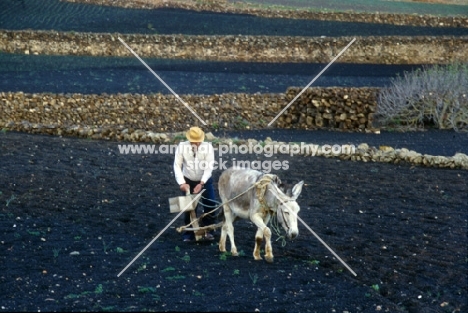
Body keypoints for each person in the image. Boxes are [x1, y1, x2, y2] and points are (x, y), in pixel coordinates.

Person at [173, 126, 217, 242]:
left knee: (210, 204)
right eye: (194, 141)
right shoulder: (182, 147)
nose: (197, 143)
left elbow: (209, 167)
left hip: (204, 180)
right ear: (190, 139)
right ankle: (189, 233)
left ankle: (208, 230)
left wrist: (202, 183)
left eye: (199, 141)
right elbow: (177, 166)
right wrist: (182, 183)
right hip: (188, 180)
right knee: (189, 208)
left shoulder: (208, 147)